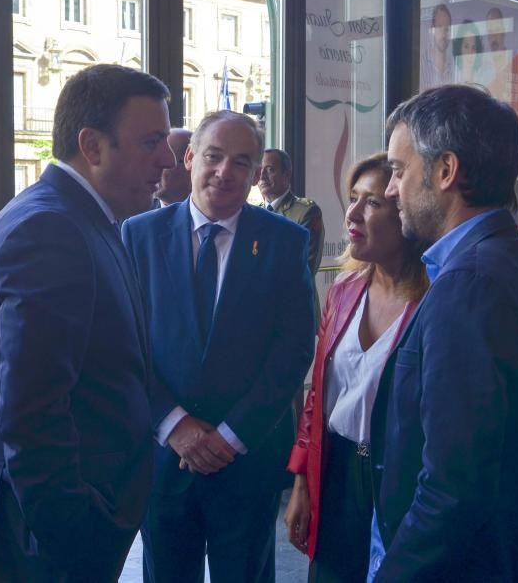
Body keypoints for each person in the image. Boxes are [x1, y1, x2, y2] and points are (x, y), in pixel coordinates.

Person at [0, 64, 175, 582]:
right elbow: (31, 414)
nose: (167, 160)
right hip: (48, 546)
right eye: (151, 142)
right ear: (92, 146)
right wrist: (78, 530)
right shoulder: (52, 230)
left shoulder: (81, 217)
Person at [369, 84, 518, 581]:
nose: (390, 189)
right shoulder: (507, 255)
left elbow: (453, 486)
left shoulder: (471, 283)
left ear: (446, 171)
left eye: (400, 171)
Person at [123, 110, 316, 583]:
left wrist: (229, 436)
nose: (224, 172)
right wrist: (174, 425)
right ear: (189, 158)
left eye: (242, 162)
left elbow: (291, 351)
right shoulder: (138, 236)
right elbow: (125, 346)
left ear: (255, 174)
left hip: (246, 461)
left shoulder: (285, 241)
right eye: (213, 156)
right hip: (165, 458)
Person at [284, 152, 428, 582]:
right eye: (352, 198)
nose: (351, 213)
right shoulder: (344, 291)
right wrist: (301, 482)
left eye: (372, 203)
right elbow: (319, 397)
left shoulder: (434, 302)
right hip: (337, 469)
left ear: (405, 214)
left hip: (399, 478)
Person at [258, 148, 325, 287]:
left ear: (287, 175)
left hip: (294, 304)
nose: (262, 176)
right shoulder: (254, 213)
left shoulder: (306, 212)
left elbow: (305, 268)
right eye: (259, 170)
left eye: (270, 170)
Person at [153, 128, 193, 208]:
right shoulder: (133, 215)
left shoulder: (215, 216)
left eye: (161, 160)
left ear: (189, 162)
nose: (150, 168)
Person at [419, 3, 453, 89]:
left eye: (447, 28)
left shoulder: (454, 66)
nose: (444, 33)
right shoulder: (421, 64)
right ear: (432, 29)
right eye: (439, 26)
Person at [453, 18, 486, 85]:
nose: (470, 53)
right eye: (466, 46)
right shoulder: (453, 85)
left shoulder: (483, 84)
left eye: (473, 48)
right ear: (459, 49)